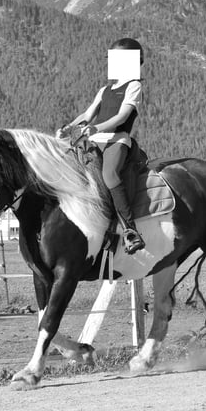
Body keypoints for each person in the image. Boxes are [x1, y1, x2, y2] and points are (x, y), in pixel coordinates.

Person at [57, 37, 146, 254]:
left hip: (117, 141)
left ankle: (129, 230)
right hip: (95, 142)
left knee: (110, 176)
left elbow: (122, 116)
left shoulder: (134, 86)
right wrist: (69, 127)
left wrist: (98, 128)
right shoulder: (104, 90)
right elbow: (87, 115)